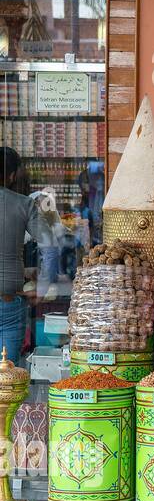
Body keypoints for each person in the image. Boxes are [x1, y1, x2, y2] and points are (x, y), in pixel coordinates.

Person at [0, 148, 49, 360]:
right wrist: (45, 283)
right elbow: (51, 245)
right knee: (7, 379)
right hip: (9, 302)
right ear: (11, 175)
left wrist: (26, 270)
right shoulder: (23, 204)